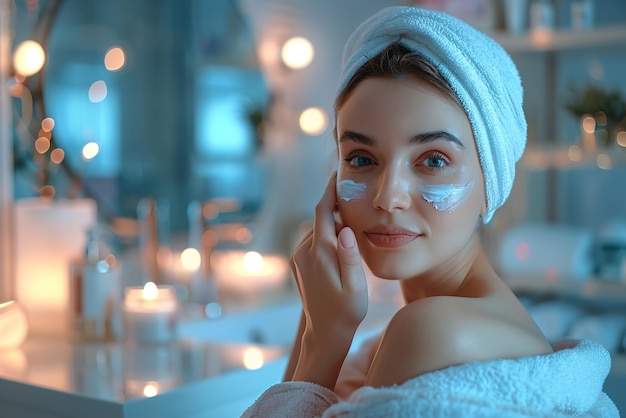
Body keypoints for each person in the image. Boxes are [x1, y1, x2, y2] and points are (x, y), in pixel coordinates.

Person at [242, 6, 618, 418]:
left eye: (434, 160)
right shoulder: (430, 325)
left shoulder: (428, 331)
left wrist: (325, 342)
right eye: (362, 159)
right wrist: (315, 320)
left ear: (490, 184)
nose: (389, 197)